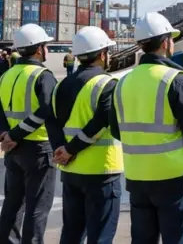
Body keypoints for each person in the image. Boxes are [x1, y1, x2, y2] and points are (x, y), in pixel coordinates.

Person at [108, 12, 183, 244]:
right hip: (175, 178)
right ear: (165, 43)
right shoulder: (175, 79)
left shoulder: (123, 82)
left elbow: (116, 130)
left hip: (138, 179)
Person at [52, 27, 122, 244]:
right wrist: (70, 149)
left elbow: (52, 122)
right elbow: (100, 122)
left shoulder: (61, 85)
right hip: (101, 171)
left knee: (71, 233)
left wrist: (61, 151)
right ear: (102, 54)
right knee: (100, 235)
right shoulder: (107, 84)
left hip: (70, 171)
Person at [0, 24, 62, 244]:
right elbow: (47, 109)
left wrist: (6, 135)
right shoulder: (43, 76)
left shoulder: (6, 74)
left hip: (12, 149)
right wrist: (16, 134)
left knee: (12, 204)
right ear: (38, 49)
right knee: (37, 208)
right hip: (38, 149)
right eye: (46, 45)